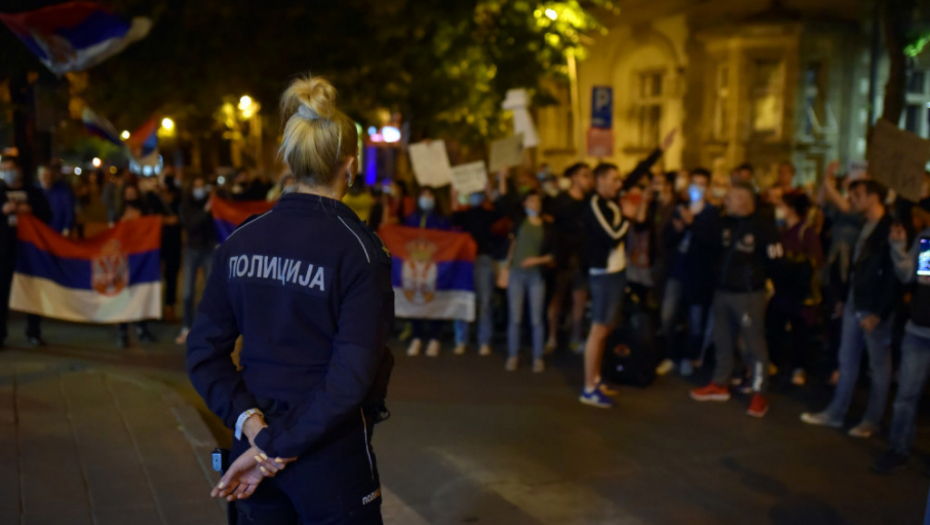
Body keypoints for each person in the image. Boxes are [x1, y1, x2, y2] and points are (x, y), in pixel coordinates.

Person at [187, 74, 393, 524]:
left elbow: (204, 354)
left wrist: (256, 435)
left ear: (289, 161)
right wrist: (275, 450)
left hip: (253, 447)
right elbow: (350, 379)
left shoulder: (240, 241)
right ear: (351, 166)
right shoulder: (360, 251)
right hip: (329, 463)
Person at [801, 180, 899, 437]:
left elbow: (897, 276)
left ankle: (874, 422)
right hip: (857, 302)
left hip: (876, 309)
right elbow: (858, 269)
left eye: (856, 195)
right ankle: (836, 412)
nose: (851, 200)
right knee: (847, 360)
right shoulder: (865, 226)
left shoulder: (895, 229)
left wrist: (879, 311)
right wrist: (845, 298)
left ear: (873, 197)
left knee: (881, 370)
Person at [690, 182, 783, 418]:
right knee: (723, 340)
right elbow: (702, 237)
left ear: (744, 201)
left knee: (754, 345)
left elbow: (777, 260)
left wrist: (768, 284)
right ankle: (720, 382)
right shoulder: (725, 223)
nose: (726, 201)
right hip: (722, 292)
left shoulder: (763, 227)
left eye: (730, 198)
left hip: (749, 294)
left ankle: (760, 392)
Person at [873, 209, 930, 473]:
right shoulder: (928, 239)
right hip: (919, 330)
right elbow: (915, 276)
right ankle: (898, 447)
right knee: (906, 394)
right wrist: (898, 246)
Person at [656, 168, 718, 377]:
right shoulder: (680, 209)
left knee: (695, 321)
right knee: (668, 315)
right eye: (694, 183)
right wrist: (678, 228)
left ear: (707, 188)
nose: (697, 188)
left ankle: (688, 357)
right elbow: (666, 239)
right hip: (676, 271)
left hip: (698, 275)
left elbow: (711, 243)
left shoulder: (712, 214)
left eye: (702, 184)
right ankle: (670, 355)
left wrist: (692, 224)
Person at [767, 192, 823, 386]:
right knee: (775, 326)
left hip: (799, 292)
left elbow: (815, 261)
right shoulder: (781, 230)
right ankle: (775, 362)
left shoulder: (806, 231)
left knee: (800, 331)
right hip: (782, 288)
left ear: (791, 208)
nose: (778, 209)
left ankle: (799, 367)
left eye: (781, 205)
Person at [498, 185, 553, 373]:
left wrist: (537, 260)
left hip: (536, 274)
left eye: (537, 201)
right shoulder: (520, 221)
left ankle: (538, 357)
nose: (534, 203)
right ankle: (513, 355)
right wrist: (503, 180)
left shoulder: (547, 226)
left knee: (537, 318)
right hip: (516, 273)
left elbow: (555, 254)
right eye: (531, 200)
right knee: (515, 317)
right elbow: (504, 201)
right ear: (524, 204)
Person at [450, 185, 508, 357]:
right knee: (462, 299)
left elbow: (502, 212)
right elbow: (453, 220)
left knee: (485, 301)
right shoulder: (464, 213)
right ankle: (461, 340)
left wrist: (491, 194)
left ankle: (484, 341)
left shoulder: (488, 213)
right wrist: (454, 197)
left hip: (483, 259)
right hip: (465, 262)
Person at [0, 156, 51, 348]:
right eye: (4, 169)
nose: (7, 172)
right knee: (2, 293)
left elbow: (47, 214)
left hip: (30, 252)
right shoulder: (1, 191)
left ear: (19, 170)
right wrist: (3, 211)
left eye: (10, 168)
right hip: (5, 252)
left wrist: (30, 210)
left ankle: (34, 332)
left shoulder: (33, 192)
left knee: (32, 291)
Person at [544, 163, 593, 353]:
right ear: (573, 178)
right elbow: (548, 228)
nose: (586, 179)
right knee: (556, 298)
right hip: (561, 259)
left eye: (588, 176)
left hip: (581, 258)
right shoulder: (560, 201)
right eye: (583, 175)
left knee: (579, 299)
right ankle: (552, 337)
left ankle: (575, 336)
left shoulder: (589, 201)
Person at [404, 187, 452, 357]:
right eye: (423, 194)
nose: (426, 197)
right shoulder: (411, 218)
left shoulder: (442, 220)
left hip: (435, 267)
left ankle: (434, 338)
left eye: (429, 194)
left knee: (434, 298)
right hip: (415, 267)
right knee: (415, 299)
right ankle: (417, 336)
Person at [175, 176, 217, 345]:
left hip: (208, 249)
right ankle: (187, 326)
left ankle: (207, 326)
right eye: (196, 186)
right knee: (187, 292)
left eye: (202, 186)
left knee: (210, 291)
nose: (199, 189)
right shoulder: (186, 205)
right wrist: (205, 211)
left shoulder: (211, 202)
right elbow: (190, 225)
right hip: (192, 250)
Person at [116, 184, 158, 348]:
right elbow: (113, 232)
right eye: (128, 193)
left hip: (142, 258)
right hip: (124, 258)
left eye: (133, 192)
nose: (131, 195)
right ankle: (123, 331)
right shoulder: (119, 211)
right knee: (123, 295)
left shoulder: (145, 210)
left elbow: (151, 228)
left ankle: (142, 328)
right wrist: (124, 221)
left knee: (141, 292)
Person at [37, 164, 76, 236]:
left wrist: (67, 228)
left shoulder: (63, 190)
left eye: (50, 175)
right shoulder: (35, 192)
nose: (48, 178)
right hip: (41, 234)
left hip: (59, 232)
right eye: (45, 175)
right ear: (39, 176)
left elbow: (69, 210)